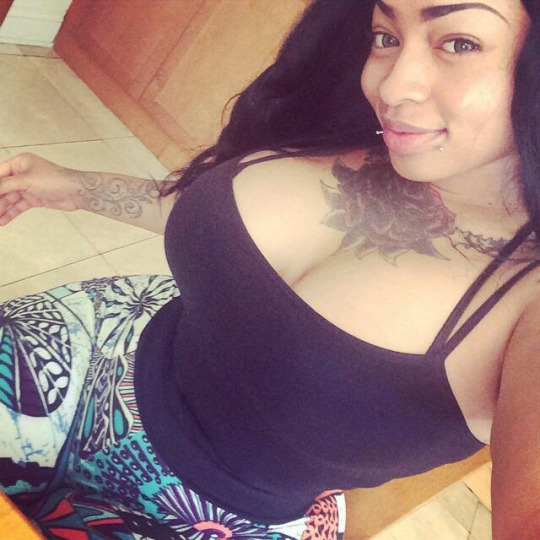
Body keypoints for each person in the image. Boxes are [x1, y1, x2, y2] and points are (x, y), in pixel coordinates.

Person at [0, 0, 538, 538]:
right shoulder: (352, 126)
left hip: (204, 517)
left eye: (459, 43)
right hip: (94, 348)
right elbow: (220, 229)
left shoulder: (529, 300)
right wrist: (75, 187)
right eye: (386, 36)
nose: (392, 86)